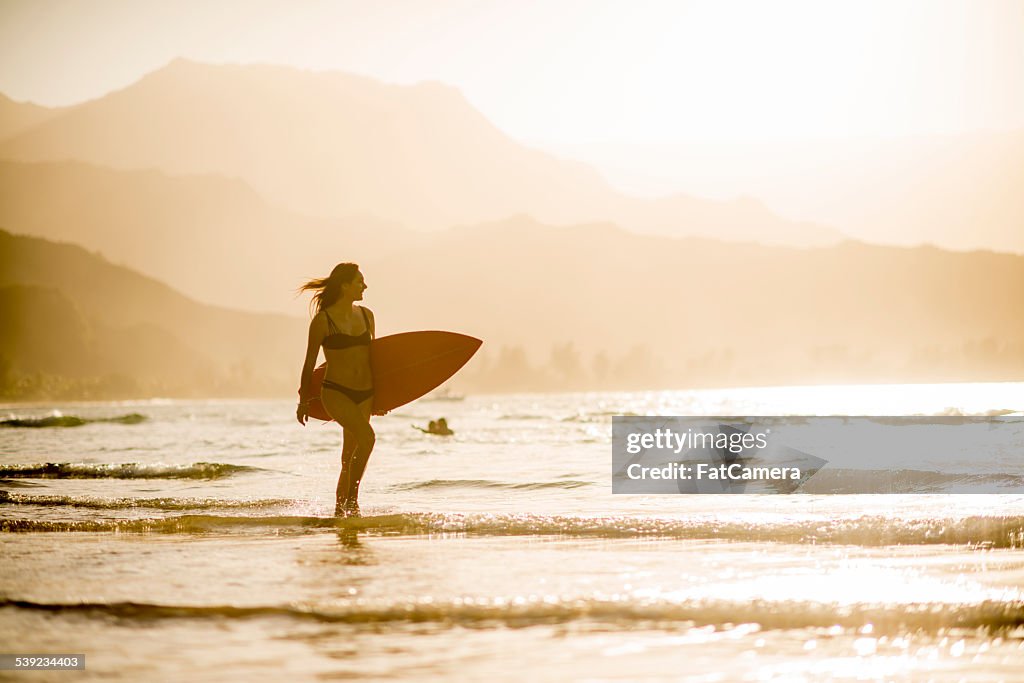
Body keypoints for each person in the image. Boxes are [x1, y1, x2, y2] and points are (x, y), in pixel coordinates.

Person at [296, 263, 377, 516]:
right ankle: (352, 501)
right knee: (368, 438)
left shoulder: (367, 315)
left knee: (348, 457)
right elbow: (309, 363)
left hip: (365, 392)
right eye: (359, 281)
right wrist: (303, 400)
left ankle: (340, 512)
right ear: (344, 285)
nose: (364, 286)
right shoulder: (323, 321)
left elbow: (376, 359)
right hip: (336, 391)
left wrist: (384, 398)